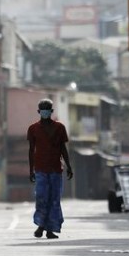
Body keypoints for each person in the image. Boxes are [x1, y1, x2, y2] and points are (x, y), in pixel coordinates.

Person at [27, 98, 73, 239]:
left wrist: (69, 166)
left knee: (54, 199)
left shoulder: (60, 128)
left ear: (51, 111)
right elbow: (31, 150)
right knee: (41, 198)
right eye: (43, 109)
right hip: (40, 169)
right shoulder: (33, 129)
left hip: (56, 169)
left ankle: (50, 229)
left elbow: (63, 149)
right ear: (39, 111)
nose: (45, 111)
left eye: (47, 109)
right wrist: (31, 170)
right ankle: (41, 226)